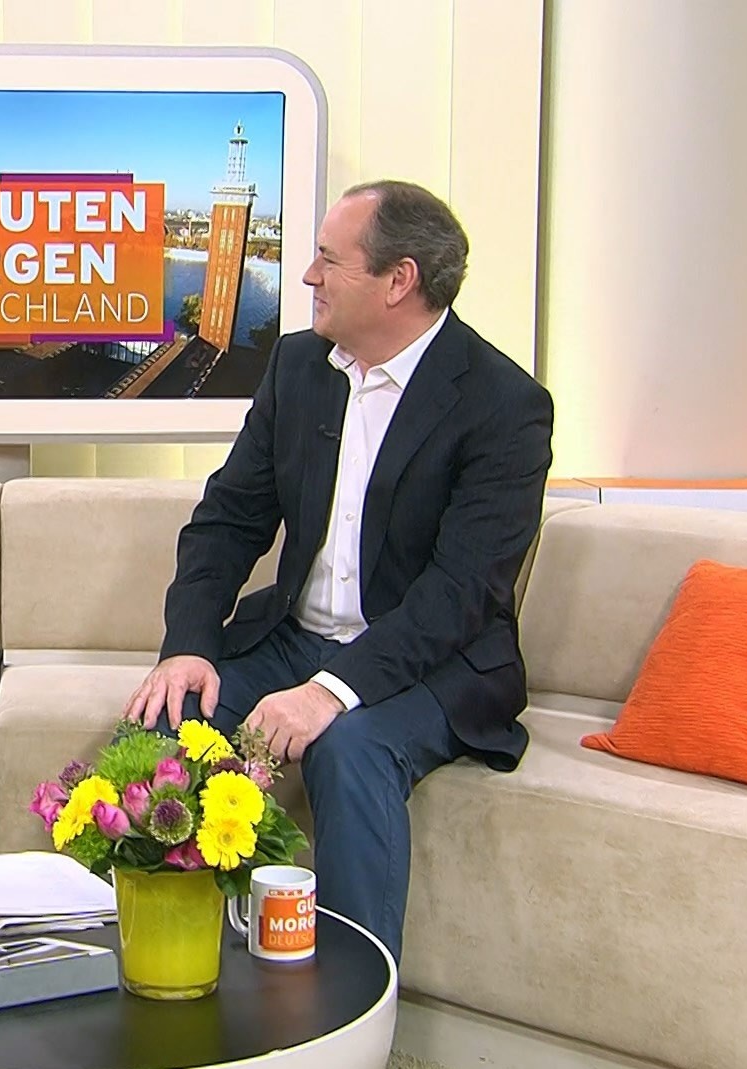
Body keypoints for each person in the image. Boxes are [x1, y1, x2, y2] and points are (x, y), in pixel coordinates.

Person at [122, 180, 554, 965]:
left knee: (349, 749)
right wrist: (188, 644)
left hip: (431, 664)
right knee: (168, 717)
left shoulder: (504, 405)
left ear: (399, 280)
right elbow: (229, 520)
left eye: (329, 260)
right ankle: (174, 971)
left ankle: (356, 1008)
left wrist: (330, 692)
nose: (308, 276)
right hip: (295, 638)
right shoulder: (299, 366)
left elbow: (461, 595)